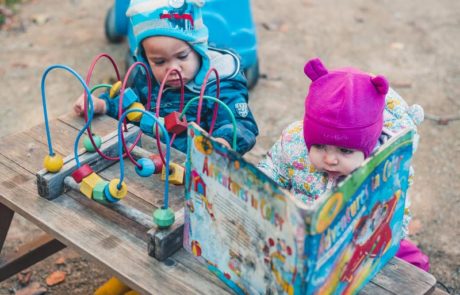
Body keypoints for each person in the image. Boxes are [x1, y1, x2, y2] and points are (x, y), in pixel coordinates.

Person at [258, 57, 429, 271]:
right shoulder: (294, 143)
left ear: (368, 147)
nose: (330, 159)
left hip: (362, 240)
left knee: (413, 263)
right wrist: (264, 189)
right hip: (302, 235)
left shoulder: (385, 166)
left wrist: (385, 236)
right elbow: (272, 170)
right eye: (319, 147)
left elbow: (397, 208)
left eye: (345, 151)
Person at [74, 0, 258, 155]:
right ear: (146, 59)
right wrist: (103, 104)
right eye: (159, 61)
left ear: (198, 49)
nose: (173, 69)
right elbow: (130, 103)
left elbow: (240, 124)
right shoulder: (147, 77)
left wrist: (222, 142)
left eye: (182, 56)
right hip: (152, 161)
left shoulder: (219, 84)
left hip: (195, 171)